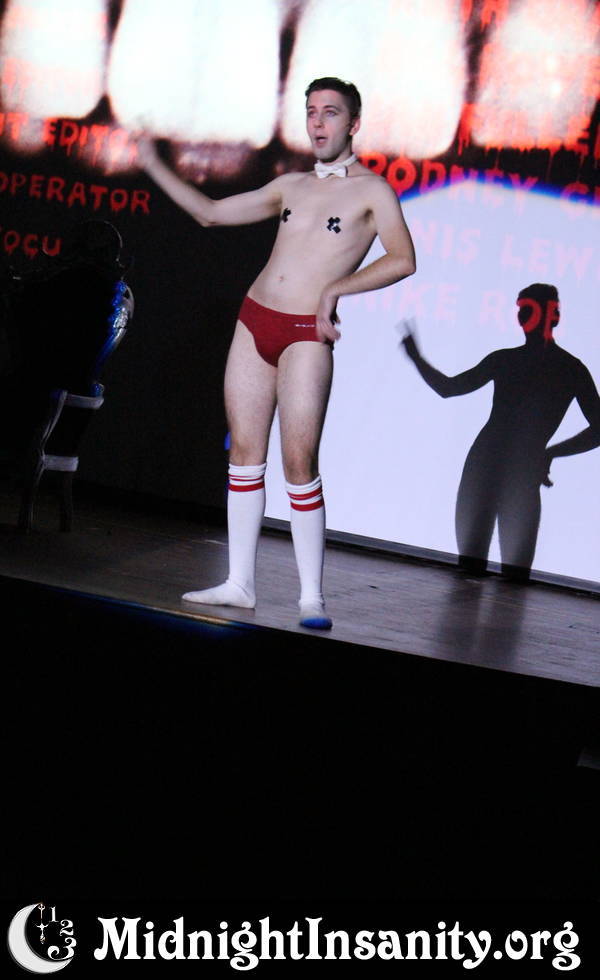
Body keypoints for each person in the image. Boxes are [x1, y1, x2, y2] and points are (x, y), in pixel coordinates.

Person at [139, 76, 416, 627]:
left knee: (298, 461)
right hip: (255, 319)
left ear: (353, 123)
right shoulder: (292, 184)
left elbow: (403, 258)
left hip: (306, 331)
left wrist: (336, 289)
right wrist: (152, 163)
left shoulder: (373, 192)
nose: (318, 122)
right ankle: (239, 583)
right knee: (244, 453)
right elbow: (210, 212)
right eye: (311, 111)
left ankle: (311, 596)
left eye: (330, 112)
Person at [401, 283, 600, 581]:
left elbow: (448, 388)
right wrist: (549, 453)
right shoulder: (568, 368)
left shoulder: (512, 361)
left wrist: (416, 357)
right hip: (510, 467)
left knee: (485, 570)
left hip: (492, 464)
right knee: (504, 573)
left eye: (527, 311)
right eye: (523, 311)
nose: (523, 318)